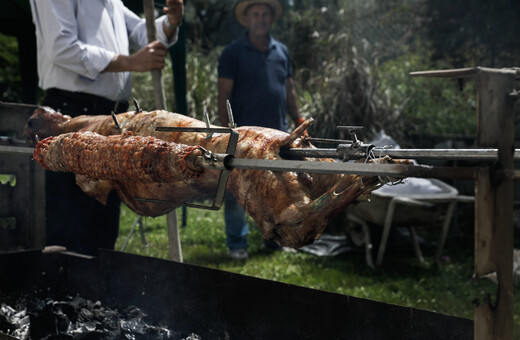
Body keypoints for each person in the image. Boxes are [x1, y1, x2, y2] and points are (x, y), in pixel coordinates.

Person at [29, 0, 184, 256]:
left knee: (101, 226)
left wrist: (170, 22)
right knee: (66, 230)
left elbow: (141, 33)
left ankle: (96, 292)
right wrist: (132, 62)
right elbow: (61, 47)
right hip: (71, 111)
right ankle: (59, 292)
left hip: (110, 116)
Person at [218, 0, 305, 260]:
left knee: (278, 190)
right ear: (246, 19)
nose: (260, 19)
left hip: (278, 133)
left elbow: (289, 90)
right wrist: (227, 132)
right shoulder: (232, 53)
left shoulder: (282, 52)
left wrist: (298, 118)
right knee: (238, 190)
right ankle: (237, 244)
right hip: (244, 136)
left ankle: (276, 239)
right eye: (255, 14)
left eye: (265, 14)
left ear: (271, 19)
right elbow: (224, 94)